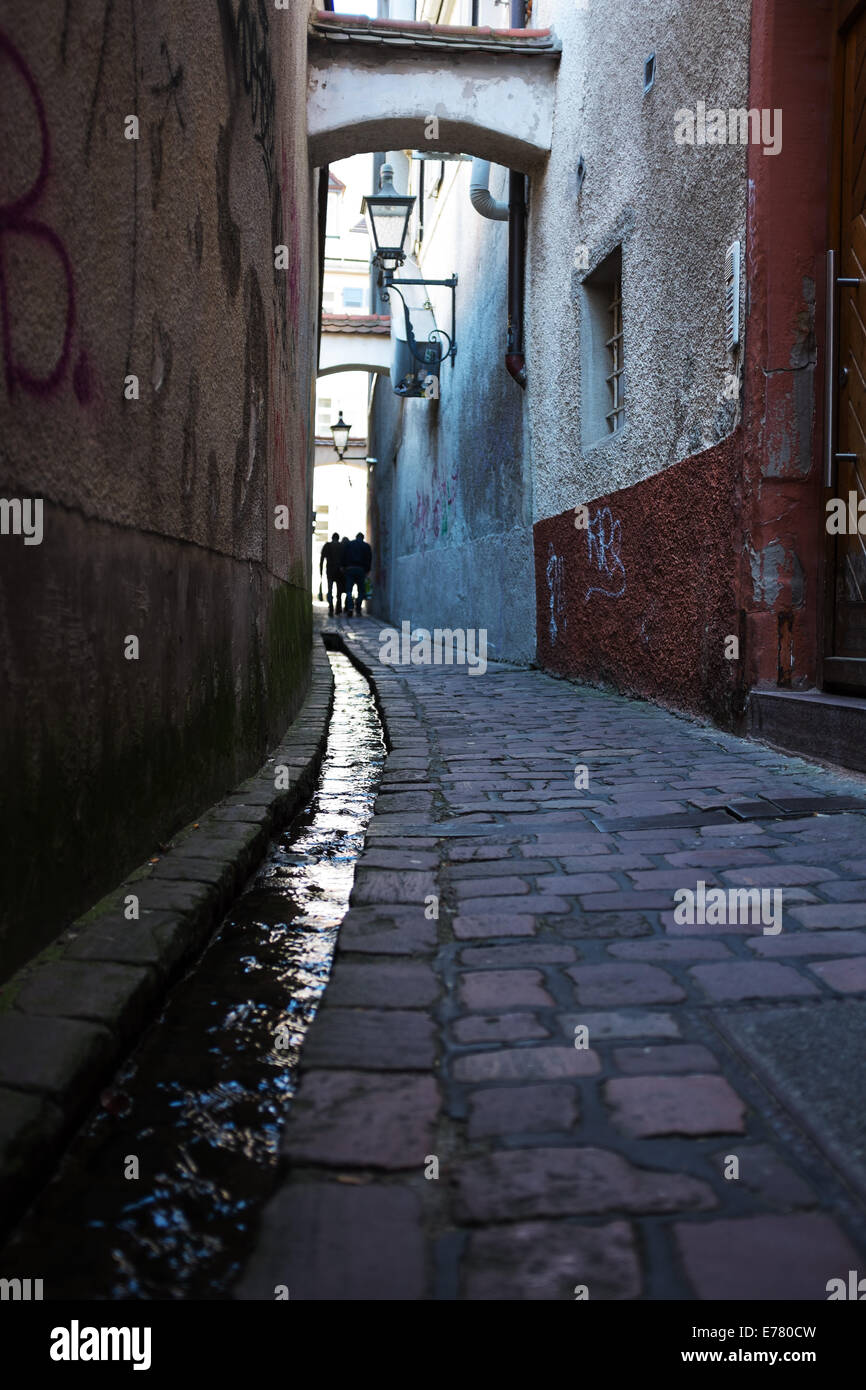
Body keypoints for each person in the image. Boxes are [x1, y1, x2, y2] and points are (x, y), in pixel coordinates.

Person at [342, 531, 372, 617]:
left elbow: (344, 555)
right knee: (361, 591)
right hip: (361, 570)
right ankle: (358, 609)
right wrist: (367, 570)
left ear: (356, 537)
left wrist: (343, 566)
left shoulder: (349, 544)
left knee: (349, 590)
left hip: (350, 569)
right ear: (363, 538)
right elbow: (369, 559)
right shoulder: (366, 546)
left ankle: (350, 607)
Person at [319, 532, 344, 615]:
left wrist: (321, 572)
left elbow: (322, 559)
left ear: (332, 538)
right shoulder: (342, 546)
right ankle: (338, 608)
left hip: (330, 571)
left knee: (330, 590)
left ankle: (330, 608)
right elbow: (345, 559)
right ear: (338, 538)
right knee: (339, 591)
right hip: (340, 572)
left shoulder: (327, 545)